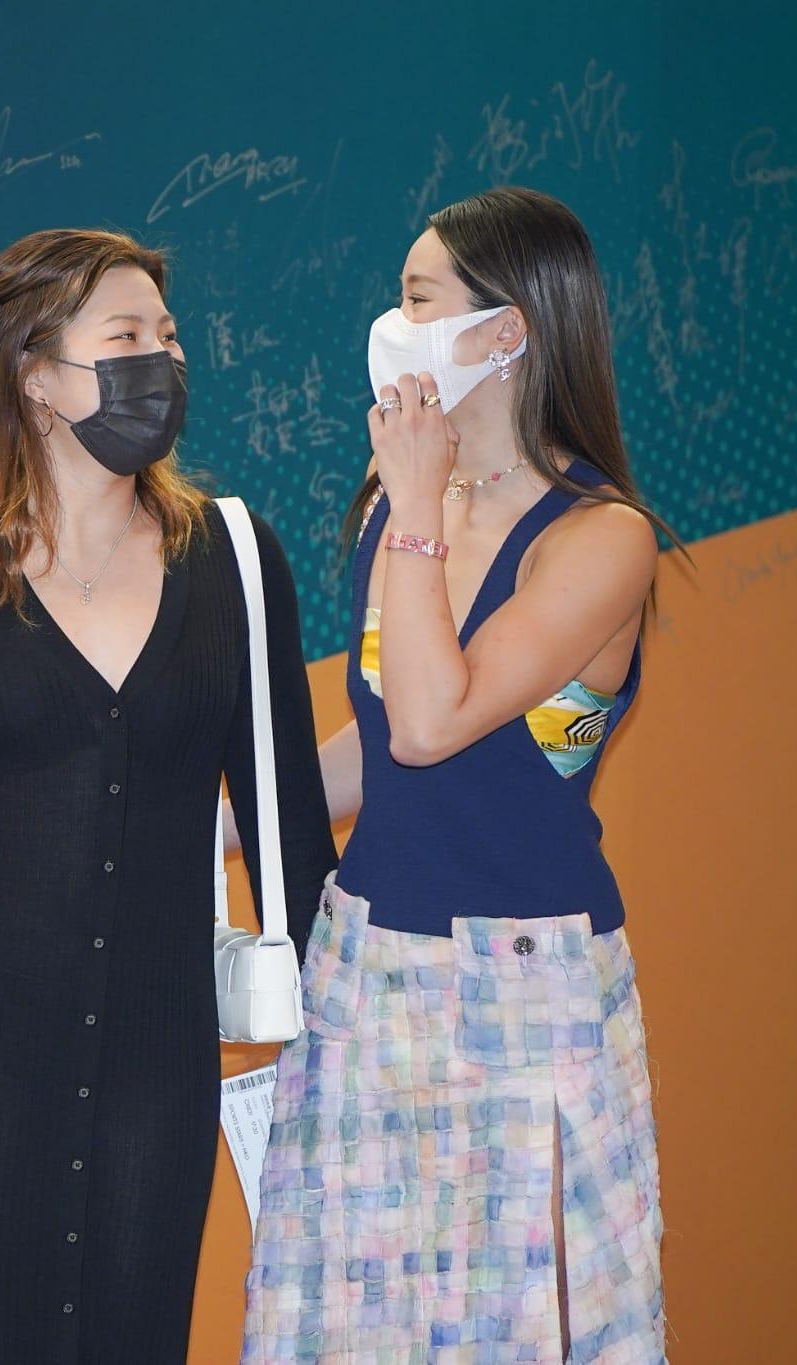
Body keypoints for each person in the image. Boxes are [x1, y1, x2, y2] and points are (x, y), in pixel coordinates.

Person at [0, 227, 337, 1364]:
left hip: (159, 1077)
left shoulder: (234, 560)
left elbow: (290, 831)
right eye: (126, 336)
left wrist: (352, 1031)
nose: (163, 363)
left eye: (169, 337)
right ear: (34, 374)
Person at [242, 186, 668, 1362]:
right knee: (342, 1329)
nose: (392, 325)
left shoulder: (599, 537)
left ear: (504, 331)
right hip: (366, 969)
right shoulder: (399, 508)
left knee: (516, 1332)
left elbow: (434, 723)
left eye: (417, 299)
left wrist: (417, 506)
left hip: (523, 990)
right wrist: (227, 819)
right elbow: (382, 746)